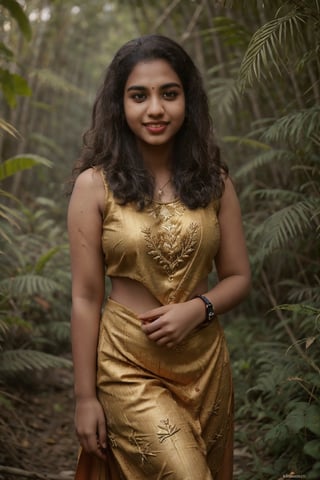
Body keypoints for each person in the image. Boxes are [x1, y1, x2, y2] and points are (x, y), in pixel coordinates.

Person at [68, 34, 251, 480]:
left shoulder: (215, 182)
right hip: (127, 365)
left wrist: (198, 308)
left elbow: (238, 276)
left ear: (188, 100)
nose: (155, 109)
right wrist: (85, 398)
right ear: (120, 105)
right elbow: (86, 298)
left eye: (169, 93)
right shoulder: (94, 186)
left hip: (205, 365)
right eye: (139, 96)